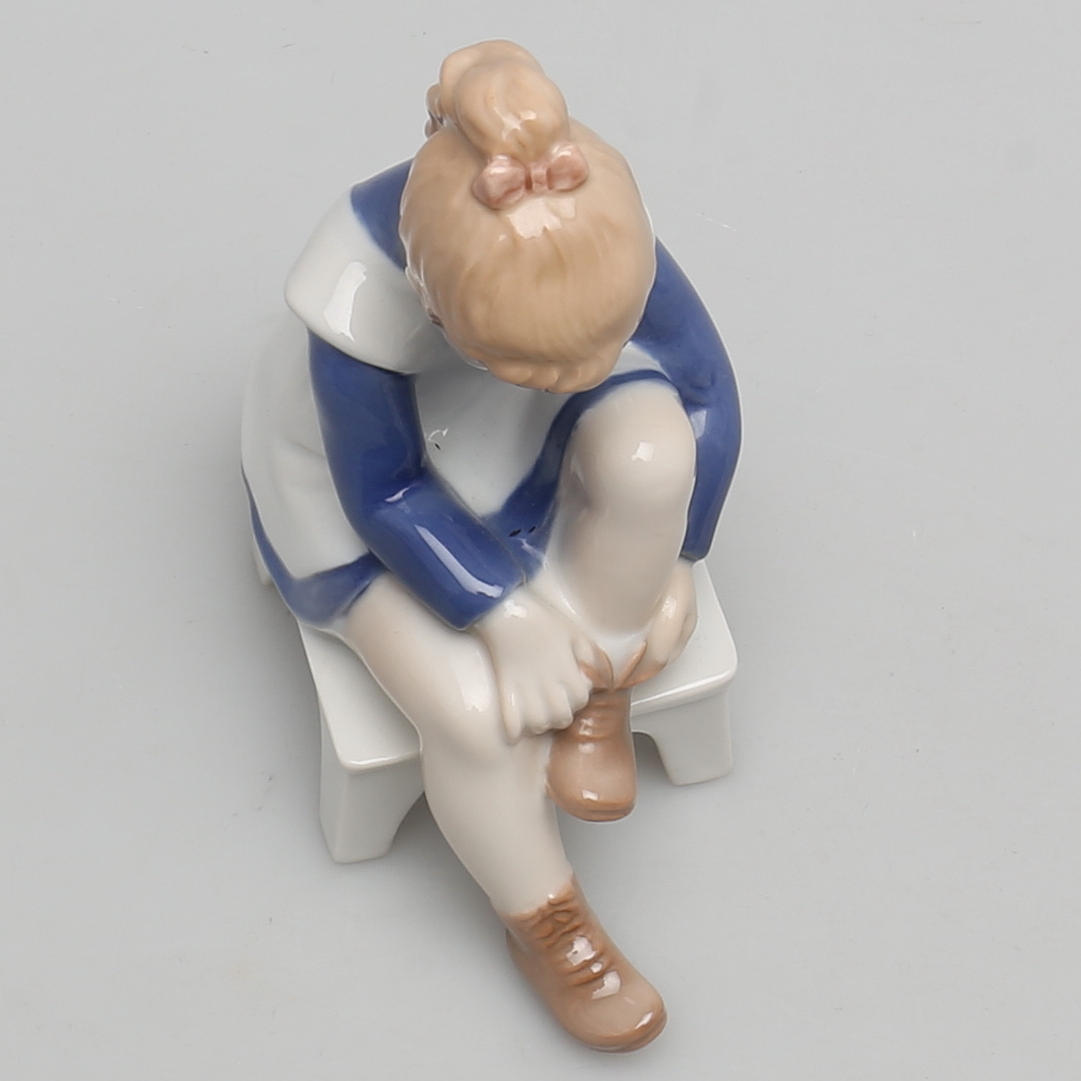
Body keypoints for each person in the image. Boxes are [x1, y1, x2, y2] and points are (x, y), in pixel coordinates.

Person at [242, 40, 740, 1052]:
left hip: (515, 436)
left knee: (651, 457)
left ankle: (600, 674)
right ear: (433, 308)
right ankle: (547, 920)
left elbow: (701, 392)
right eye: (542, 364)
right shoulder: (355, 302)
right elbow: (382, 491)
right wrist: (503, 616)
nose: (574, 372)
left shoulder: (588, 221)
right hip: (369, 505)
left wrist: (680, 560)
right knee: (472, 714)